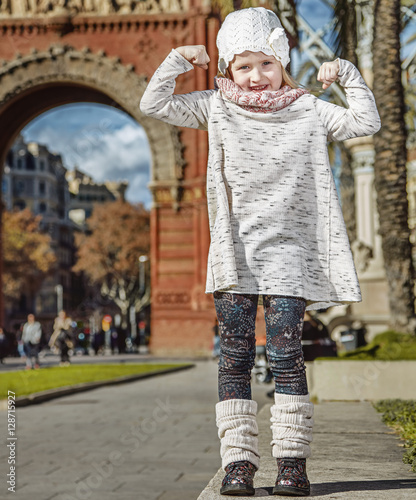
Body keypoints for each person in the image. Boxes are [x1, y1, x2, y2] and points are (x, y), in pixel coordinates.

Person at [140, 7, 380, 497]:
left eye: (266, 63)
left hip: (290, 254)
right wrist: (177, 60)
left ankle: (292, 464)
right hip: (235, 253)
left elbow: (365, 121)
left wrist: (349, 74)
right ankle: (239, 466)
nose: (256, 76)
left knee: (286, 355)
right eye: (243, 66)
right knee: (233, 357)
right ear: (228, 67)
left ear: (283, 61)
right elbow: (154, 103)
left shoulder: (310, 108)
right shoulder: (215, 105)